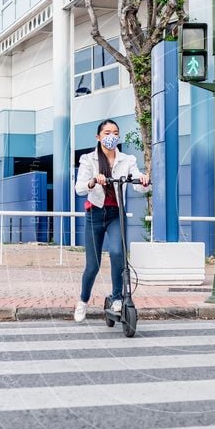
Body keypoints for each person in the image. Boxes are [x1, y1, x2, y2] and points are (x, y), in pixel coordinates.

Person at [73, 119, 149, 322]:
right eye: (107, 133)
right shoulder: (88, 160)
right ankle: (83, 301)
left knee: (118, 254)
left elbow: (138, 185)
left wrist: (143, 180)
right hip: (94, 215)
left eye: (115, 133)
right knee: (93, 265)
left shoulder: (127, 159)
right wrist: (92, 181)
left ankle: (117, 297)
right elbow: (79, 189)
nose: (111, 137)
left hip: (116, 213)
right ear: (98, 137)